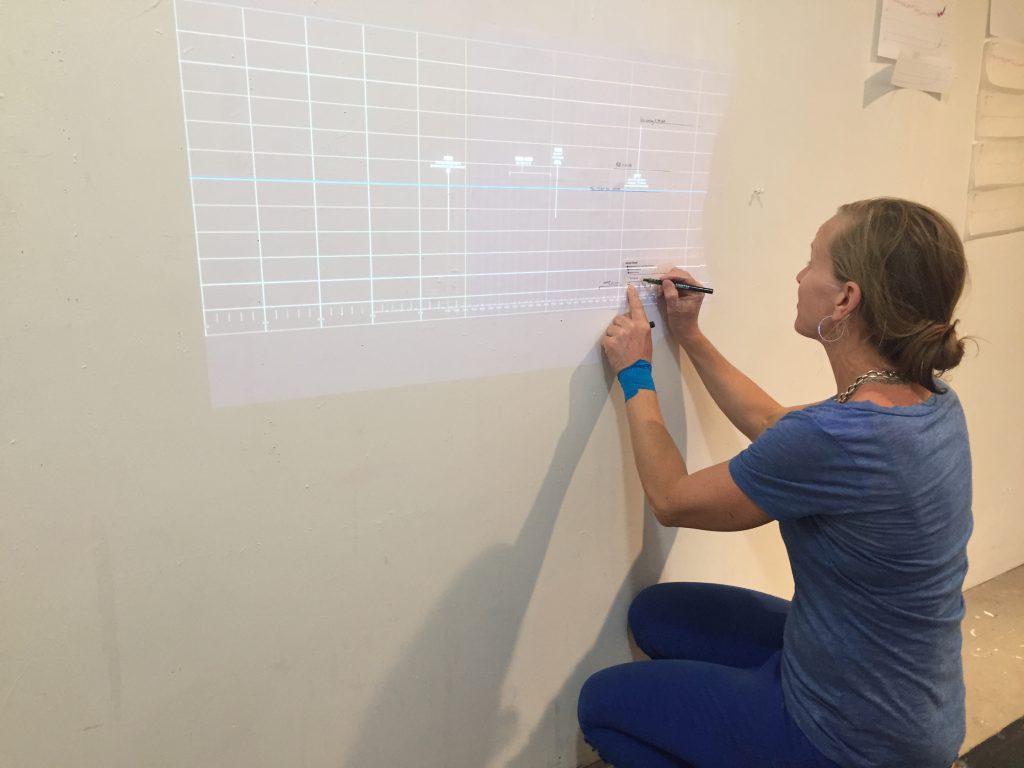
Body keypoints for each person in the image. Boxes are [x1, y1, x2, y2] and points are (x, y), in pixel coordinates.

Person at [578, 198, 973, 768]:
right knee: (656, 615)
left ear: (846, 299)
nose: (799, 276)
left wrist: (635, 371)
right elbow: (772, 423)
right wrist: (689, 334)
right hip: (907, 706)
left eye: (812, 261)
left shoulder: (839, 438)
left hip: (854, 739)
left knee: (601, 705)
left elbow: (671, 499)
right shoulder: (929, 401)